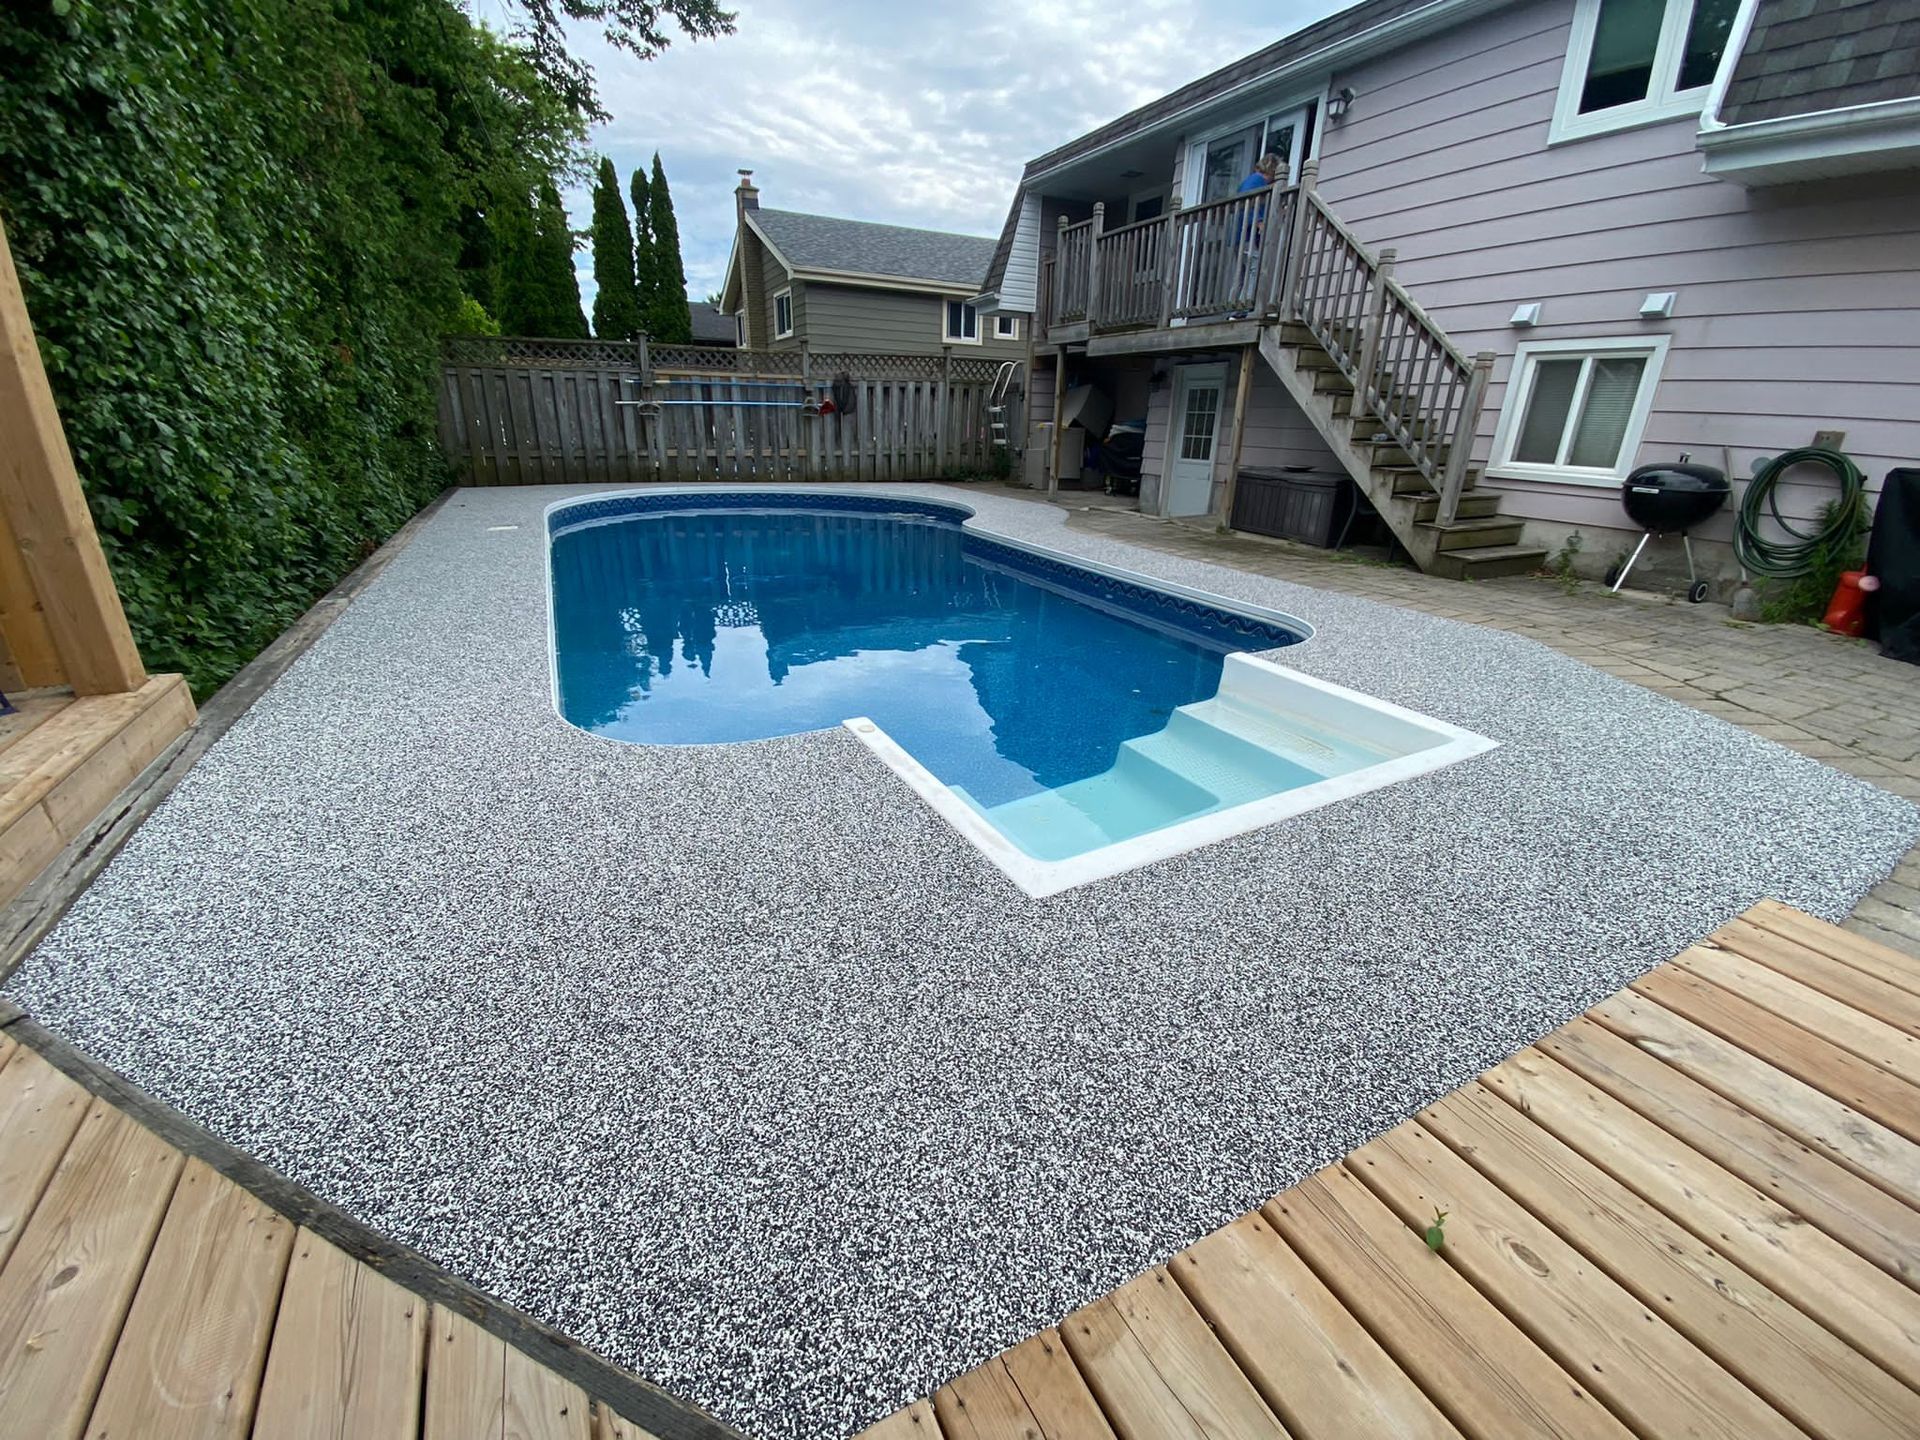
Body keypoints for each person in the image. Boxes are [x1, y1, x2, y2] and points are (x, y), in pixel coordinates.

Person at [1230, 153, 1283, 315]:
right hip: (1247, 236)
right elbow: (1249, 204)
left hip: (1239, 236)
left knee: (1241, 273)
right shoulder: (1257, 181)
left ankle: (1232, 311)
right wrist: (1258, 221)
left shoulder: (1250, 181)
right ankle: (1243, 310)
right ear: (1272, 169)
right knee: (1253, 269)